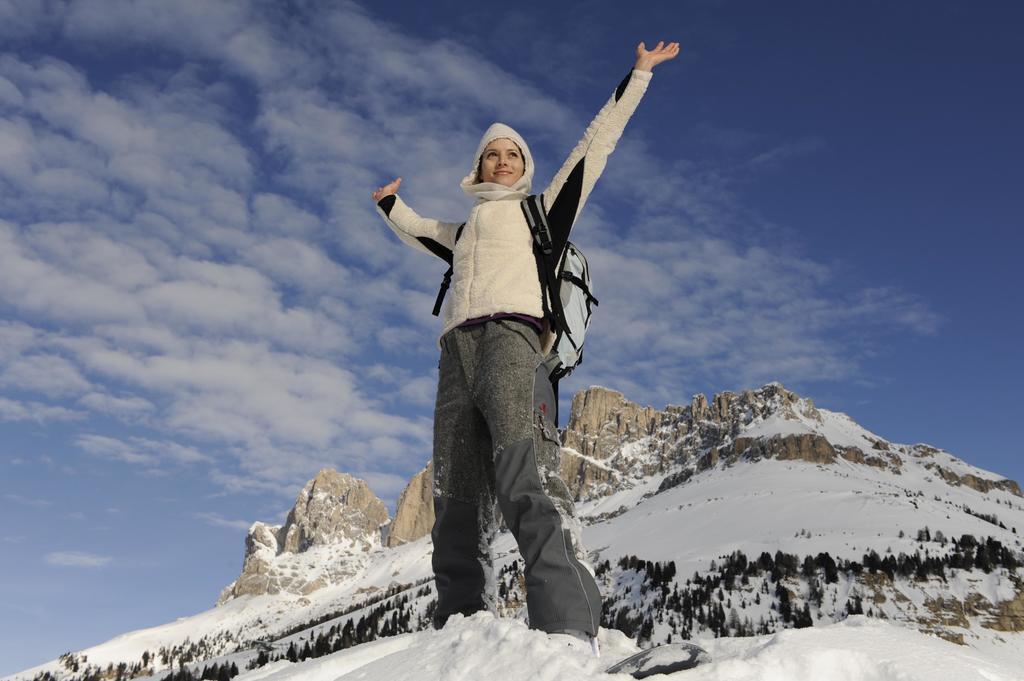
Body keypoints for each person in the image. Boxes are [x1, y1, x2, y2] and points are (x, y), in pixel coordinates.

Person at [372, 41, 680, 654]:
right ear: (476, 168)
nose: (502, 160)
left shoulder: (542, 212)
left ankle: (567, 628)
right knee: (456, 498)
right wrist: (388, 204)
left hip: (515, 340)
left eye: (512, 153)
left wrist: (637, 77)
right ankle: (459, 631)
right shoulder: (461, 235)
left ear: (526, 165)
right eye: (491, 153)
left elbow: (594, 149)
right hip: (455, 353)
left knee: (526, 479)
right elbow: (417, 228)